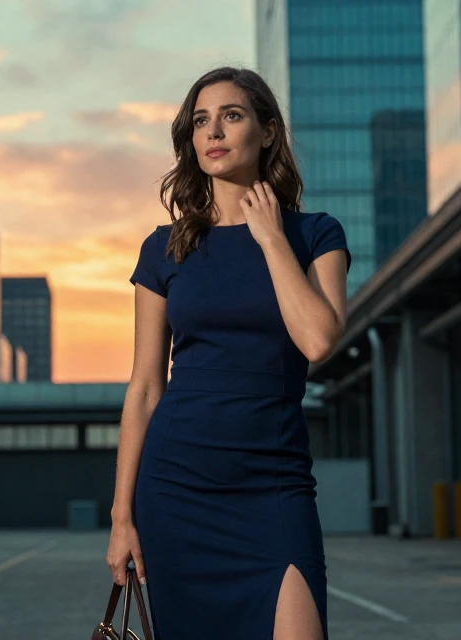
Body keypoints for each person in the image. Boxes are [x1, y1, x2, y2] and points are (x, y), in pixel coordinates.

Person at [106, 66, 351, 640]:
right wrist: (122, 518)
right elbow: (144, 388)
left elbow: (318, 339)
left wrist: (269, 237)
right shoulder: (163, 249)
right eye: (201, 120)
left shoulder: (315, 234)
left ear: (267, 132)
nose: (213, 131)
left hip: (274, 483)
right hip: (177, 486)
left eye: (232, 116)